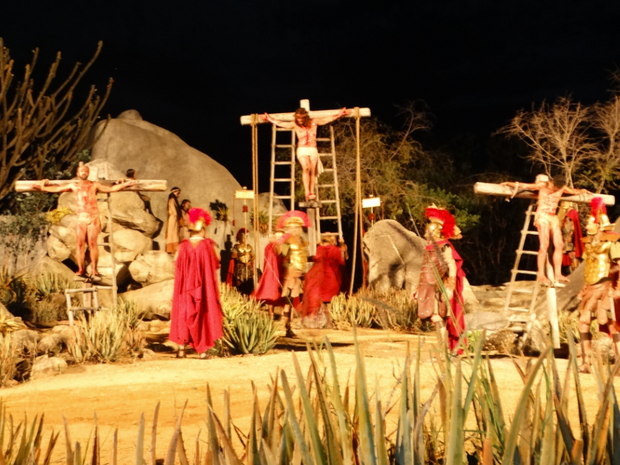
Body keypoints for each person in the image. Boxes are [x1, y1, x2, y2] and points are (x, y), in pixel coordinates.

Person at [33, 162, 135, 277]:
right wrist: (43, 187)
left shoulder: (94, 185)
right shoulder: (74, 186)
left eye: (86, 171)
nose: (84, 172)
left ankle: (95, 270)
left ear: (88, 173)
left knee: (93, 244)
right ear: (77, 173)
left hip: (93, 217)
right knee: (80, 245)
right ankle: (81, 269)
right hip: (81, 217)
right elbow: (57, 188)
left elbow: (110, 189)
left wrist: (124, 185)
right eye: (82, 170)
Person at [501, 174, 590, 285]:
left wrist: (583, 191)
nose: (557, 190)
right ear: (553, 183)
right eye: (556, 187)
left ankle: (558, 273)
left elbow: (573, 191)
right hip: (542, 216)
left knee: (559, 245)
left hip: (553, 217)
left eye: (559, 188)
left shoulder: (562, 188)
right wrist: (508, 183)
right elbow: (525, 186)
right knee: (544, 245)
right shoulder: (543, 186)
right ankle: (540, 274)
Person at [169, 207, 223, 359]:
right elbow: (218, 259)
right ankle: (202, 351)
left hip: (185, 287)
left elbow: (176, 261)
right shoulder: (208, 244)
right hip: (203, 288)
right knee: (202, 314)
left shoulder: (183, 245)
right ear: (203, 229)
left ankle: (181, 349)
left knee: (183, 313)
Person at [262, 107, 348, 201]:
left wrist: (340, 114)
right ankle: (306, 191)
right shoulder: (295, 124)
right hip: (302, 149)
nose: (299, 120)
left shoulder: (314, 122)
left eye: (301, 118)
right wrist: (269, 118)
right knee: (306, 167)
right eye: (297, 118)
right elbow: (282, 123)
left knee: (312, 170)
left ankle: (311, 192)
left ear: (305, 117)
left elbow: (327, 119)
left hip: (313, 149)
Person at [411, 206, 466, 353]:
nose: (425, 235)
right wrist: (417, 289)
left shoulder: (444, 247)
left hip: (438, 288)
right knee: (434, 318)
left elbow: (451, 267)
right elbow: (425, 271)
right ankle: (442, 350)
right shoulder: (429, 248)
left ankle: (442, 351)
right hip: (426, 287)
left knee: (437, 318)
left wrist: (449, 288)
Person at [576, 197, 620, 373]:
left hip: (605, 289)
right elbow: (590, 268)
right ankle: (586, 362)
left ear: (599, 225)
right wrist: (583, 288)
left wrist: (618, 289)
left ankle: (619, 361)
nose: (586, 227)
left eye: (590, 223)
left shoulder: (611, 243)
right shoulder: (589, 245)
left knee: (608, 322)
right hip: (590, 289)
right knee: (583, 322)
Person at [299, 234, 349, 329]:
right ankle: (329, 322)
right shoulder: (336, 250)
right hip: (332, 278)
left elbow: (317, 258)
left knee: (322, 301)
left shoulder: (320, 249)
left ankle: (325, 322)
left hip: (321, 278)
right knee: (329, 301)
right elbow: (341, 262)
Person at [275, 210, 310, 336]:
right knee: (287, 301)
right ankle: (286, 326)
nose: (295, 229)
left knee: (292, 300)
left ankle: (288, 326)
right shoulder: (288, 239)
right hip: (290, 273)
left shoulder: (300, 240)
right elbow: (280, 253)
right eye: (293, 227)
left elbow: (304, 256)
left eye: (297, 227)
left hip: (298, 273)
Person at [251, 230, 286, 317]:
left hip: (281, 270)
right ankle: (271, 313)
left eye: (280, 236)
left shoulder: (283, 246)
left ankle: (283, 314)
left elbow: (283, 256)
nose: (278, 237)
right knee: (271, 292)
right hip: (272, 272)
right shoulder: (269, 246)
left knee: (281, 293)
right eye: (277, 235)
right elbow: (268, 259)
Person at [557, 201, 583, 274]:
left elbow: (573, 225)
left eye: (566, 202)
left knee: (573, 254)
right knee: (569, 254)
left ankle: (576, 273)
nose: (564, 204)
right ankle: (572, 272)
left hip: (570, 237)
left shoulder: (572, 212)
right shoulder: (566, 212)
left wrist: (571, 235)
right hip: (565, 236)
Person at [226, 228, 254, 294]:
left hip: (248, 267)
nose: (245, 239)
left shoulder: (249, 247)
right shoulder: (236, 247)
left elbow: (253, 256)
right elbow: (233, 255)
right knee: (239, 283)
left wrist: (249, 262)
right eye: (243, 238)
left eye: (245, 238)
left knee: (249, 283)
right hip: (240, 267)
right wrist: (241, 254)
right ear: (240, 238)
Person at [166, 187, 182, 253]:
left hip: (174, 217)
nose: (178, 195)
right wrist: (176, 214)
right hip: (172, 217)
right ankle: (170, 249)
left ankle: (175, 249)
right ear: (174, 192)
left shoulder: (174, 199)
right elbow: (172, 208)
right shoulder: (172, 199)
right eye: (178, 193)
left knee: (174, 233)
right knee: (171, 233)